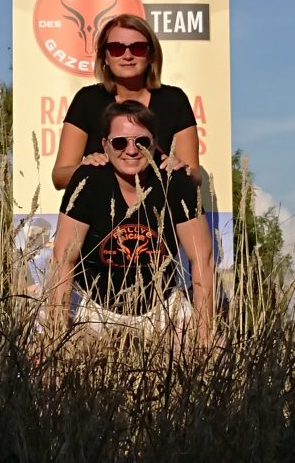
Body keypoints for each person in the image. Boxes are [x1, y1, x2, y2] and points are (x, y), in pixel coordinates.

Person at [47, 100, 215, 345]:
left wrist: (204, 340)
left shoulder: (176, 182)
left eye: (142, 142)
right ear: (104, 145)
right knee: (42, 351)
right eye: (119, 142)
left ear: (155, 143)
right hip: (92, 305)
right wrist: (56, 337)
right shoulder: (88, 180)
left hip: (160, 305)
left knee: (214, 350)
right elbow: (63, 260)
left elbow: (203, 261)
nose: (132, 150)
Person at [52, 13, 201, 191]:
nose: (127, 55)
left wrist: (183, 171)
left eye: (138, 48)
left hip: (160, 212)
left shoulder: (173, 100)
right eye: (116, 48)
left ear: (151, 54)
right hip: (100, 212)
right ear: (105, 57)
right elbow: (59, 178)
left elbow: (196, 177)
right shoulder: (87, 100)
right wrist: (85, 169)